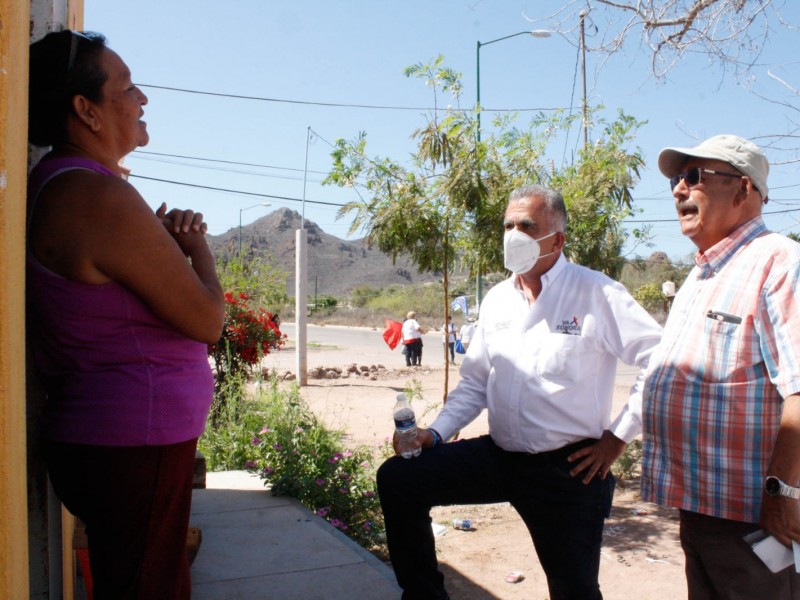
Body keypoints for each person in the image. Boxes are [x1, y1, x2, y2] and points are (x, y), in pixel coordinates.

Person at [377, 185, 663, 600]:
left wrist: (617, 439)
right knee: (400, 478)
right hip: (501, 457)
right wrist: (435, 434)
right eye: (508, 225)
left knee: (574, 591)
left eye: (527, 226)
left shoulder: (597, 293)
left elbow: (660, 359)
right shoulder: (497, 300)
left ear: (557, 239)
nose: (514, 235)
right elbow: (475, 382)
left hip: (568, 471)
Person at [27, 31, 225, 599]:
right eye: (128, 87)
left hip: (116, 439)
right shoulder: (96, 196)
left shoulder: (74, 187)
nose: (142, 99)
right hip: (132, 440)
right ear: (86, 111)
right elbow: (208, 320)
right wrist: (197, 248)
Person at [642, 135, 800, 598]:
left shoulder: (779, 262)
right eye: (676, 178)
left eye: (694, 177)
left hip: (754, 518)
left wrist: (781, 495)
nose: (678, 189)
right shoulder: (701, 273)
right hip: (701, 507)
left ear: (743, 189)